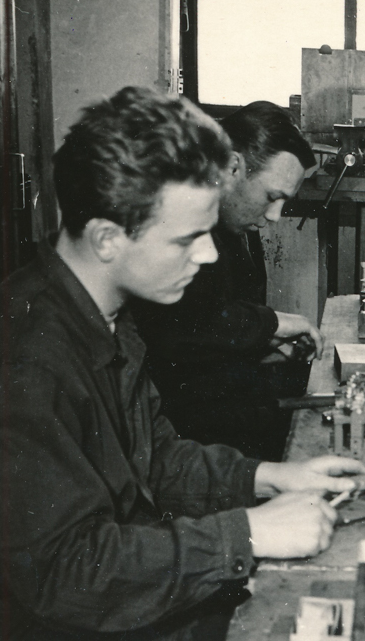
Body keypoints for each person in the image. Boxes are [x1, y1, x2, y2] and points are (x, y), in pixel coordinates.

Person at [0, 87, 365, 641]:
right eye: (188, 238)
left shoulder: (107, 318)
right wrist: (245, 534)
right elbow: (64, 573)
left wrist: (267, 477)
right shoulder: (29, 359)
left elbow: (156, 460)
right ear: (107, 239)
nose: (210, 254)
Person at [133, 101, 319, 461]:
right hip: (182, 429)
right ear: (234, 167)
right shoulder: (185, 227)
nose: (275, 216)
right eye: (272, 197)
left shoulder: (235, 225)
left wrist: (265, 342)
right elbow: (183, 328)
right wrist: (271, 324)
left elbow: (214, 314)